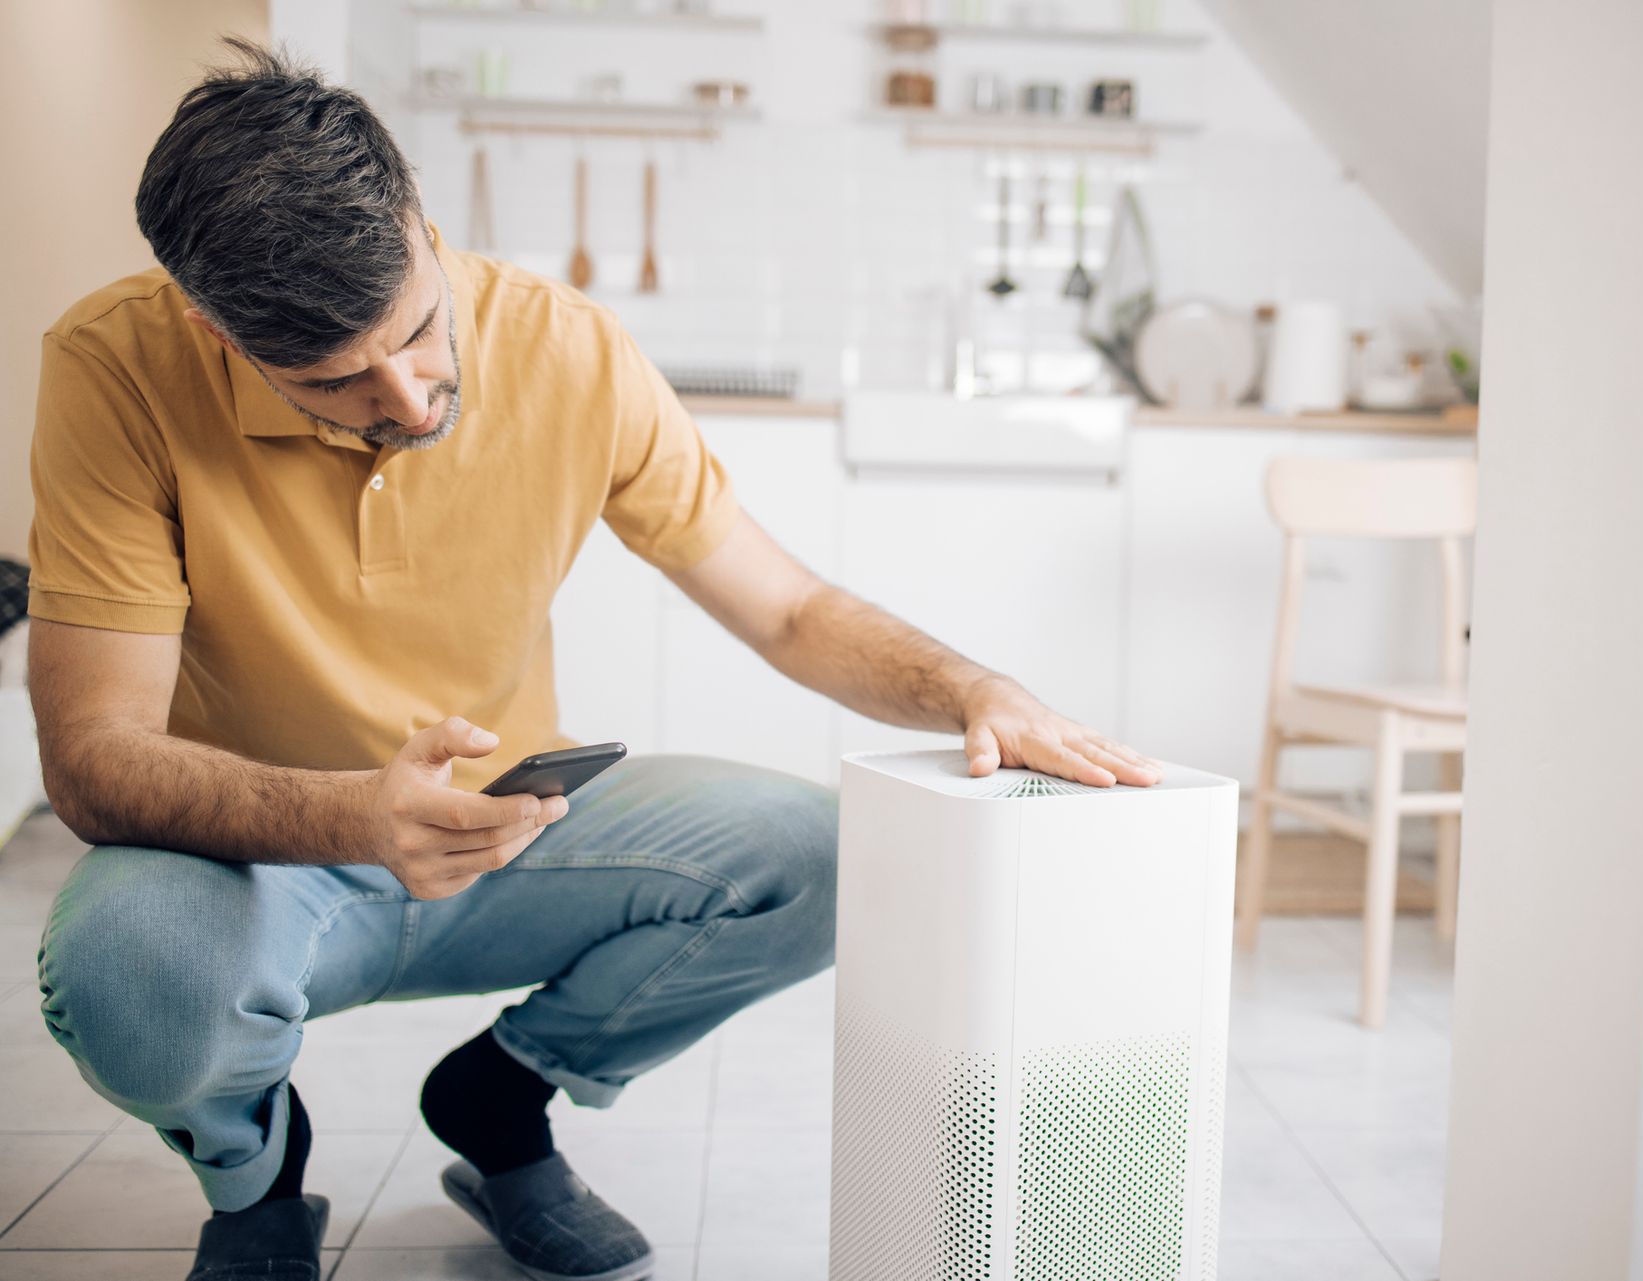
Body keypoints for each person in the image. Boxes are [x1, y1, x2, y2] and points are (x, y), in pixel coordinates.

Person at [25, 36, 1161, 1281]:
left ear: (419, 221)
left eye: (414, 332)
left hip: (513, 832)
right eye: (334, 379)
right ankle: (257, 1186)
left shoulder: (570, 348)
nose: (405, 399)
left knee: (834, 857)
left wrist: (972, 689)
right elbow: (93, 760)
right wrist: (354, 813)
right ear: (213, 328)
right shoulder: (116, 365)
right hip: (256, 860)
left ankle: (499, 1108)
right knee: (124, 972)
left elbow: (785, 610)